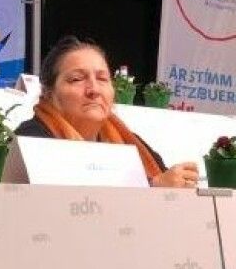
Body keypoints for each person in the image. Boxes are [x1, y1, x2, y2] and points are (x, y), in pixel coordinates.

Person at [15, 37, 198, 188]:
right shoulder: (29, 138)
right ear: (48, 93)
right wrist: (153, 187)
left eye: (102, 79)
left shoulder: (130, 142)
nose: (94, 89)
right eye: (77, 79)